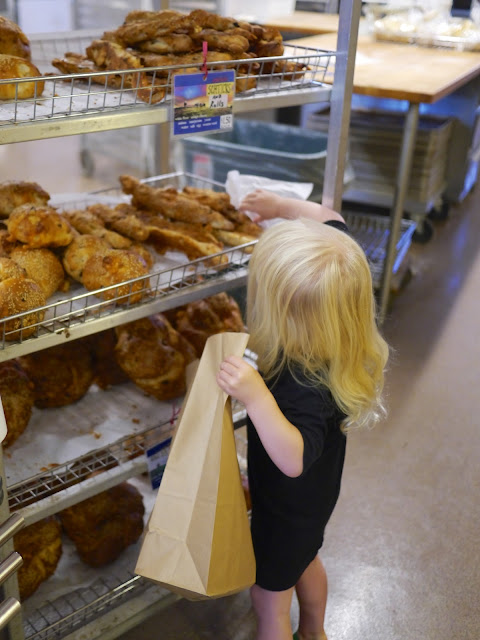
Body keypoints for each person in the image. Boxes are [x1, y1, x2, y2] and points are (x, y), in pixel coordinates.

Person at [216, 189, 389, 640]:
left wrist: (256, 396)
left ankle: (297, 628)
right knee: (307, 559)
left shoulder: (301, 381)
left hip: (285, 510)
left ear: (286, 318)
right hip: (314, 500)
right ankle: (314, 631)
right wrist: (280, 208)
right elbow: (329, 217)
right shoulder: (339, 286)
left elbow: (292, 458)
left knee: (268, 599)